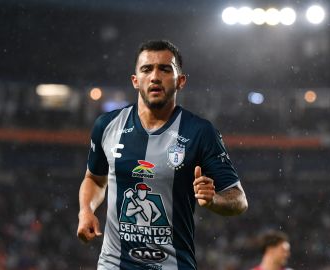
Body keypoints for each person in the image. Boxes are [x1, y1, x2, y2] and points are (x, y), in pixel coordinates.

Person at [77, 40, 248, 269]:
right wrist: (86, 210)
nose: (155, 77)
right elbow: (95, 179)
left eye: (165, 69)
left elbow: (239, 200)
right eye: (147, 69)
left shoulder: (199, 132)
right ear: (135, 81)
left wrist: (214, 200)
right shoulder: (107, 126)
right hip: (114, 264)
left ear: (181, 81)